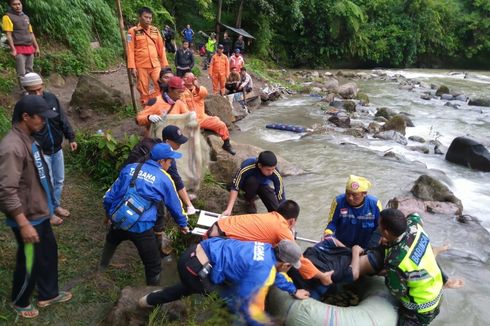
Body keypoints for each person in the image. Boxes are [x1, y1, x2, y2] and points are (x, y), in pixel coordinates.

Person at [0, 96, 72, 319]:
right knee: (29, 260)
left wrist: (49, 209)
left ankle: (48, 293)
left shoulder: (29, 138)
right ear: (25, 117)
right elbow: (6, 190)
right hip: (27, 217)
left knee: (48, 253)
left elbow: (38, 176)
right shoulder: (12, 147)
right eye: (41, 118)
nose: (44, 122)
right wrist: (23, 224)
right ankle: (20, 300)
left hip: (40, 213)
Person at [139, 238, 309, 325]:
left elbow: (273, 274)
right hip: (196, 268)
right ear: (286, 264)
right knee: (231, 301)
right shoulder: (263, 271)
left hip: (193, 255)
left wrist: (293, 290)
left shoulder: (264, 248)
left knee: (188, 287)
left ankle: (146, 301)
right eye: (290, 266)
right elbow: (247, 304)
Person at [100, 143, 189, 285]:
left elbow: (110, 195)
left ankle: (102, 267)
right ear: (161, 161)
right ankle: (151, 297)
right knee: (153, 265)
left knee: (112, 239)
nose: (171, 163)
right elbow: (175, 206)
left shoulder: (131, 168)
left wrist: (108, 215)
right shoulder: (164, 179)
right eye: (170, 160)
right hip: (141, 227)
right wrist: (183, 224)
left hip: (119, 219)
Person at [207, 200, 334, 288]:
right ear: (292, 221)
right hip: (220, 242)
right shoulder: (282, 228)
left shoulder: (270, 216)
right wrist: (322, 276)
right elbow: (299, 259)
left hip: (215, 228)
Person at [123, 125, 196, 255]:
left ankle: (119, 221)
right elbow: (175, 187)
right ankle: (158, 244)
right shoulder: (165, 162)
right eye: (177, 142)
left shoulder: (154, 147)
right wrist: (184, 219)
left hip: (129, 177)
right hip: (141, 186)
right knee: (160, 209)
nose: (180, 144)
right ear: (167, 142)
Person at [21, 73, 77, 226]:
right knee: (46, 183)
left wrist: (71, 137)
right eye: (32, 91)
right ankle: (49, 213)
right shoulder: (24, 107)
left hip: (57, 149)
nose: (37, 94)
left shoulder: (51, 98)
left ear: (42, 86)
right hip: (40, 152)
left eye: (39, 89)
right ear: (26, 90)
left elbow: (62, 118)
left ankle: (55, 205)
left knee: (59, 180)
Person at [379, 208, 444, 326]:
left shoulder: (394, 261)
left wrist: (387, 276)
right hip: (437, 293)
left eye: (380, 227)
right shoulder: (415, 226)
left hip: (420, 309)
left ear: (387, 233)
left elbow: (398, 292)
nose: (378, 229)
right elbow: (415, 215)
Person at [181, 71, 236, 155]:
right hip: (189, 120)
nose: (190, 80)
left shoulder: (199, 89)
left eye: (192, 78)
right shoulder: (181, 91)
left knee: (220, 124)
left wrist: (197, 86)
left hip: (202, 118)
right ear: (183, 79)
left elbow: (205, 93)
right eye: (188, 78)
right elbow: (182, 106)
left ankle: (226, 143)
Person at [323, 175, 382, 248]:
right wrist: (328, 233)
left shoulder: (375, 204)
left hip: (366, 247)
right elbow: (332, 223)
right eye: (347, 193)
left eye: (354, 195)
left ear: (364, 193)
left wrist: (373, 246)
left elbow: (379, 228)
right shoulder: (338, 202)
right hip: (342, 246)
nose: (350, 198)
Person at [222, 151, 285, 216]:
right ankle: (249, 201)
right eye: (268, 169)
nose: (271, 172)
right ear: (260, 165)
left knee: (275, 206)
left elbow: (280, 193)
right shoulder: (247, 167)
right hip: (248, 184)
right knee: (253, 181)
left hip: (263, 185)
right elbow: (235, 187)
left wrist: (283, 212)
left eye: (273, 169)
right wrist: (229, 209)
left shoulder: (274, 172)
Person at [127, 7, 168, 105]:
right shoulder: (132, 31)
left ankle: (160, 105)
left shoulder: (155, 30)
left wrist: (164, 65)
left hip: (155, 64)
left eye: (150, 18)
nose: (148, 20)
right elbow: (130, 50)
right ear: (139, 17)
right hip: (141, 66)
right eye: (146, 17)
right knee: (143, 89)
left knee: (161, 85)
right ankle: (146, 109)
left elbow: (161, 48)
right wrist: (132, 67)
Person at [2, 0, 40, 86]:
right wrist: (13, 49)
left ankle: (31, 90)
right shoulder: (7, 17)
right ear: (11, 6)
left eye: (19, 4)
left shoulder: (26, 17)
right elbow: (8, 34)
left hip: (29, 47)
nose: (17, 6)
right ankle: (24, 91)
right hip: (18, 47)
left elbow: (31, 33)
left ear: (21, 4)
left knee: (29, 71)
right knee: (21, 73)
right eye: (14, 4)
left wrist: (37, 47)